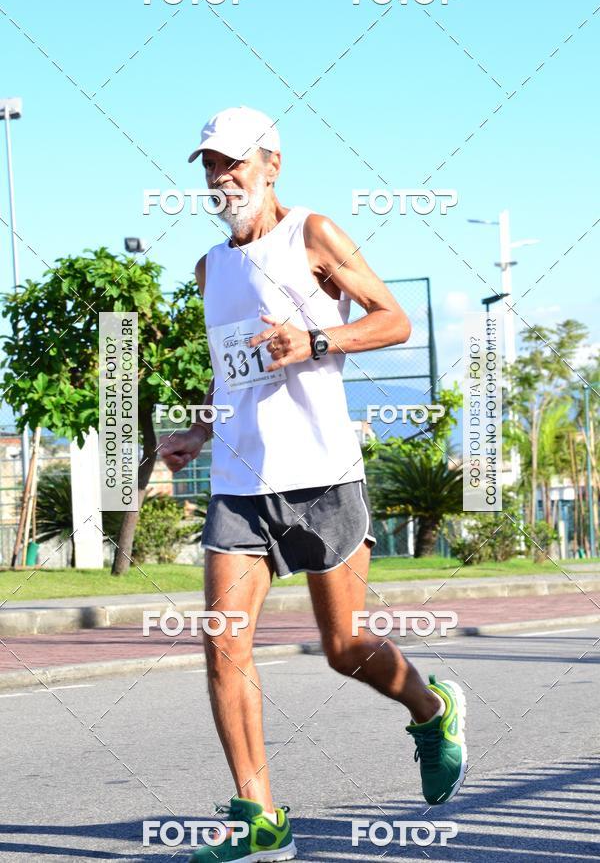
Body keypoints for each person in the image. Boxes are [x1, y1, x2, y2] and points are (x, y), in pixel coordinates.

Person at [159, 106, 467, 863]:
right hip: (239, 481)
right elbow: (231, 369)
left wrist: (316, 338)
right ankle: (261, 820)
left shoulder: (315, 234)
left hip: (323, 472)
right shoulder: (210, 268)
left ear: (272, 164)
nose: (220, 177)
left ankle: (431, 712)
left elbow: (394, 320)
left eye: (234, 162)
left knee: (344, 646)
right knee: (223, 644)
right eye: (210, 165)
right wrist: (200, 430)